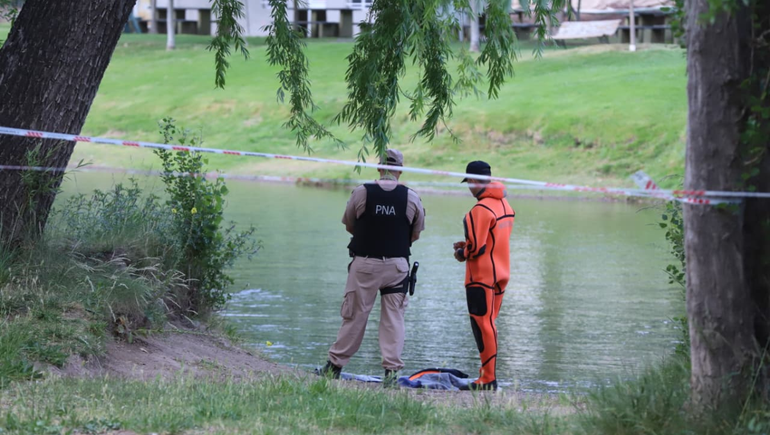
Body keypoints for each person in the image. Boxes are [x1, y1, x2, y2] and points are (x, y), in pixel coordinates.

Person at [320, 149, 426, 387]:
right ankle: (391, 374)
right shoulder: (412, 197)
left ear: (379, 167)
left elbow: (350, 225)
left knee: (355, 315)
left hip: (365, 265)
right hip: (397, 266)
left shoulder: (362, 192)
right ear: (400, 170)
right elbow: (416, 234)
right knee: (394, 319)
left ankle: (334, 367)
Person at [453, 160, 515, 391]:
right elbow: (493, 239)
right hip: (501, 273)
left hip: (481, 277)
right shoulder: (504, 204)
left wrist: (461, 252)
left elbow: (477, 248)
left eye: (469, 182)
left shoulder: (479, 210)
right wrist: (469, 244)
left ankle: (488, 379)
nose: (469, 188)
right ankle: (487, 375)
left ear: (473, 180)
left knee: (482, 325)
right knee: (490, 323)